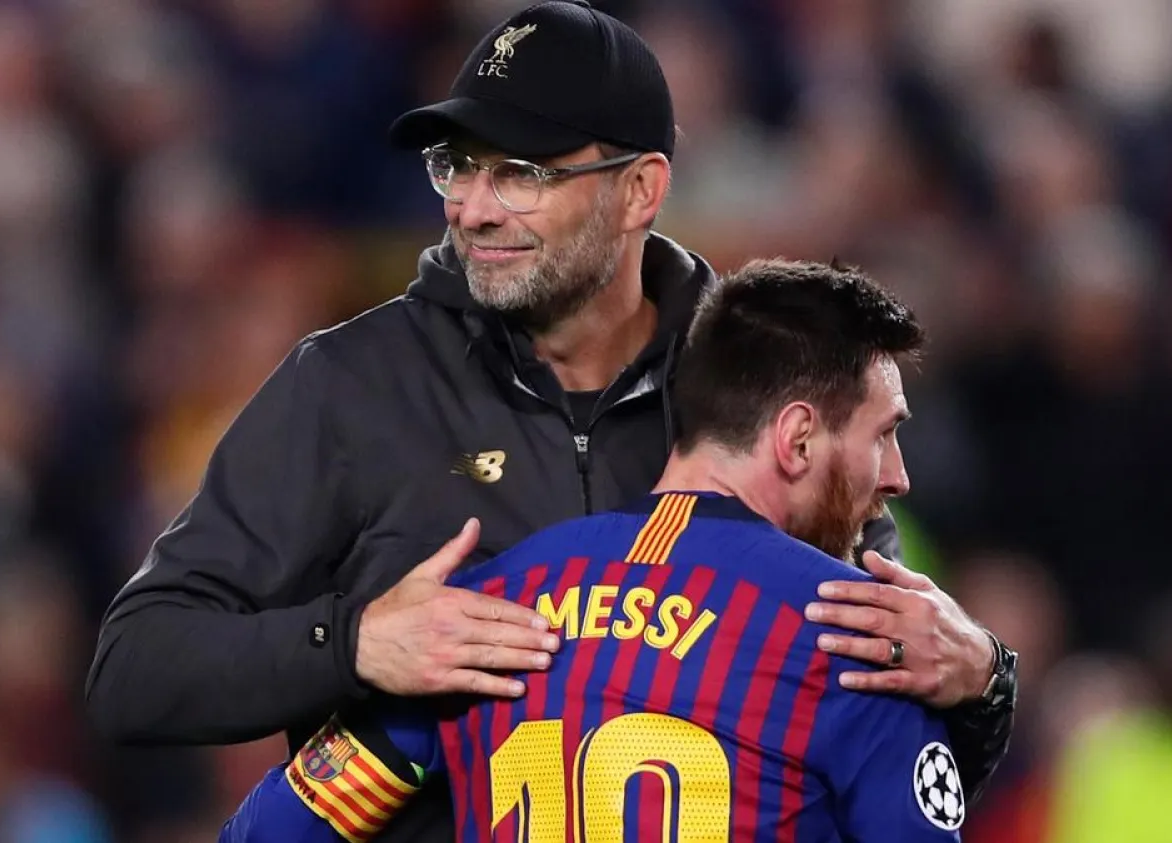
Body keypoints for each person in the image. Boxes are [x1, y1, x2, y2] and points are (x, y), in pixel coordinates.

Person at [85, 3, 1017, 839]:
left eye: (521, 172)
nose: (472, 208)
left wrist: (980, 680)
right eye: (458, 166)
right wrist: (358, 640)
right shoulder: (352, 386)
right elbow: (136, 670)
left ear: (640, 191)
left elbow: (873, 727)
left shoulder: (755, 385)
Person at [218, 259, 970, 842]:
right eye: (885, 432)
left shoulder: (484, 616)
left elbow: (270, 831)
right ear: (797, 437)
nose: (898, 474)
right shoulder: (852, 633)